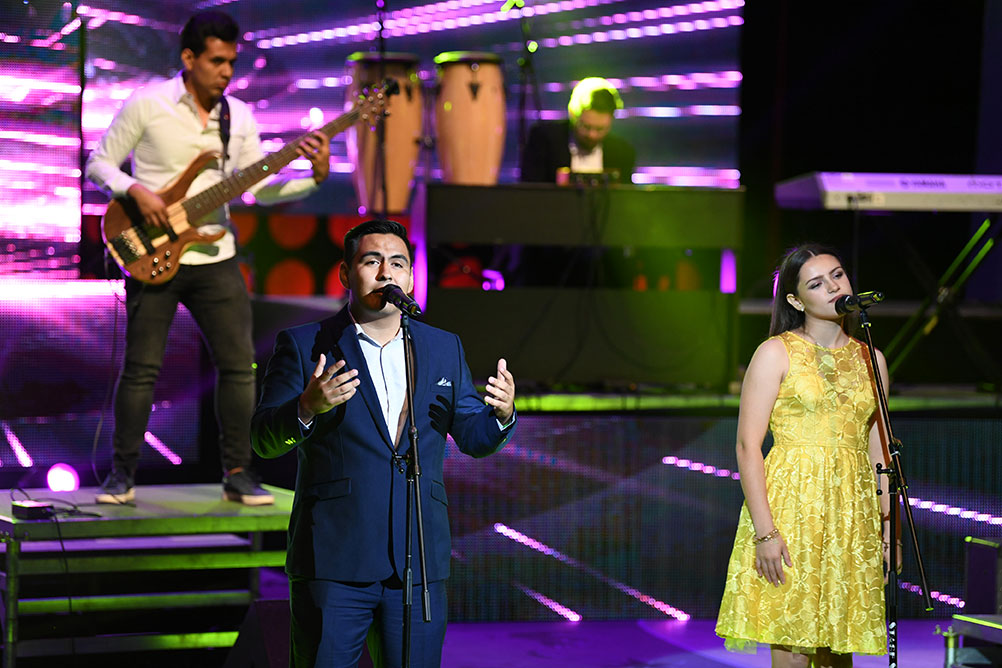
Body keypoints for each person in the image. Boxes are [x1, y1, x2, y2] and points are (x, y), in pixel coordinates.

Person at [85, 10, 332, 505]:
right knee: (141, 371)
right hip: (151, 251)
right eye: (216, 61)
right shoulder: (148, 104)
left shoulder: (238, 116)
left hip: (215, 255)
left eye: (232, 62)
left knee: (240, 368)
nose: (226, 71)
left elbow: (256, 190)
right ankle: (121, 477)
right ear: (189, 58)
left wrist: (314, 177)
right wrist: (136, 190)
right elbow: (99, 163)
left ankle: (239, 473)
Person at [251, 219, 516, 667]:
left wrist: (502, 415)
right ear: (345, 273)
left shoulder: (441, 346)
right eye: (372, 261)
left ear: (411, 277)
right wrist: (306, 407)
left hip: (418, 560)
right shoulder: (304, 344)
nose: (386, 272)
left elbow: (472, 434)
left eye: (398, 263)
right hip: (334, 560)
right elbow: (262, 439)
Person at [715, 244, 899, 667]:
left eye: (837, 275)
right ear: (796, 300)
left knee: (837, 653)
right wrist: (765, 532)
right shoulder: (775, 352)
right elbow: (747, 446)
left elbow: (880, 449)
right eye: (817, 283)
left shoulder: (872, 358)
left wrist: (889, 531)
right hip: (792, 510)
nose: (833, 287)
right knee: (794, 647)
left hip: (852, 515)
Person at [520, 76, 635, 184]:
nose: (592, 135)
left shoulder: (622, 152)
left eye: (600, 129)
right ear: (573, 115)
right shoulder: (544, 141)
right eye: (586, 127)